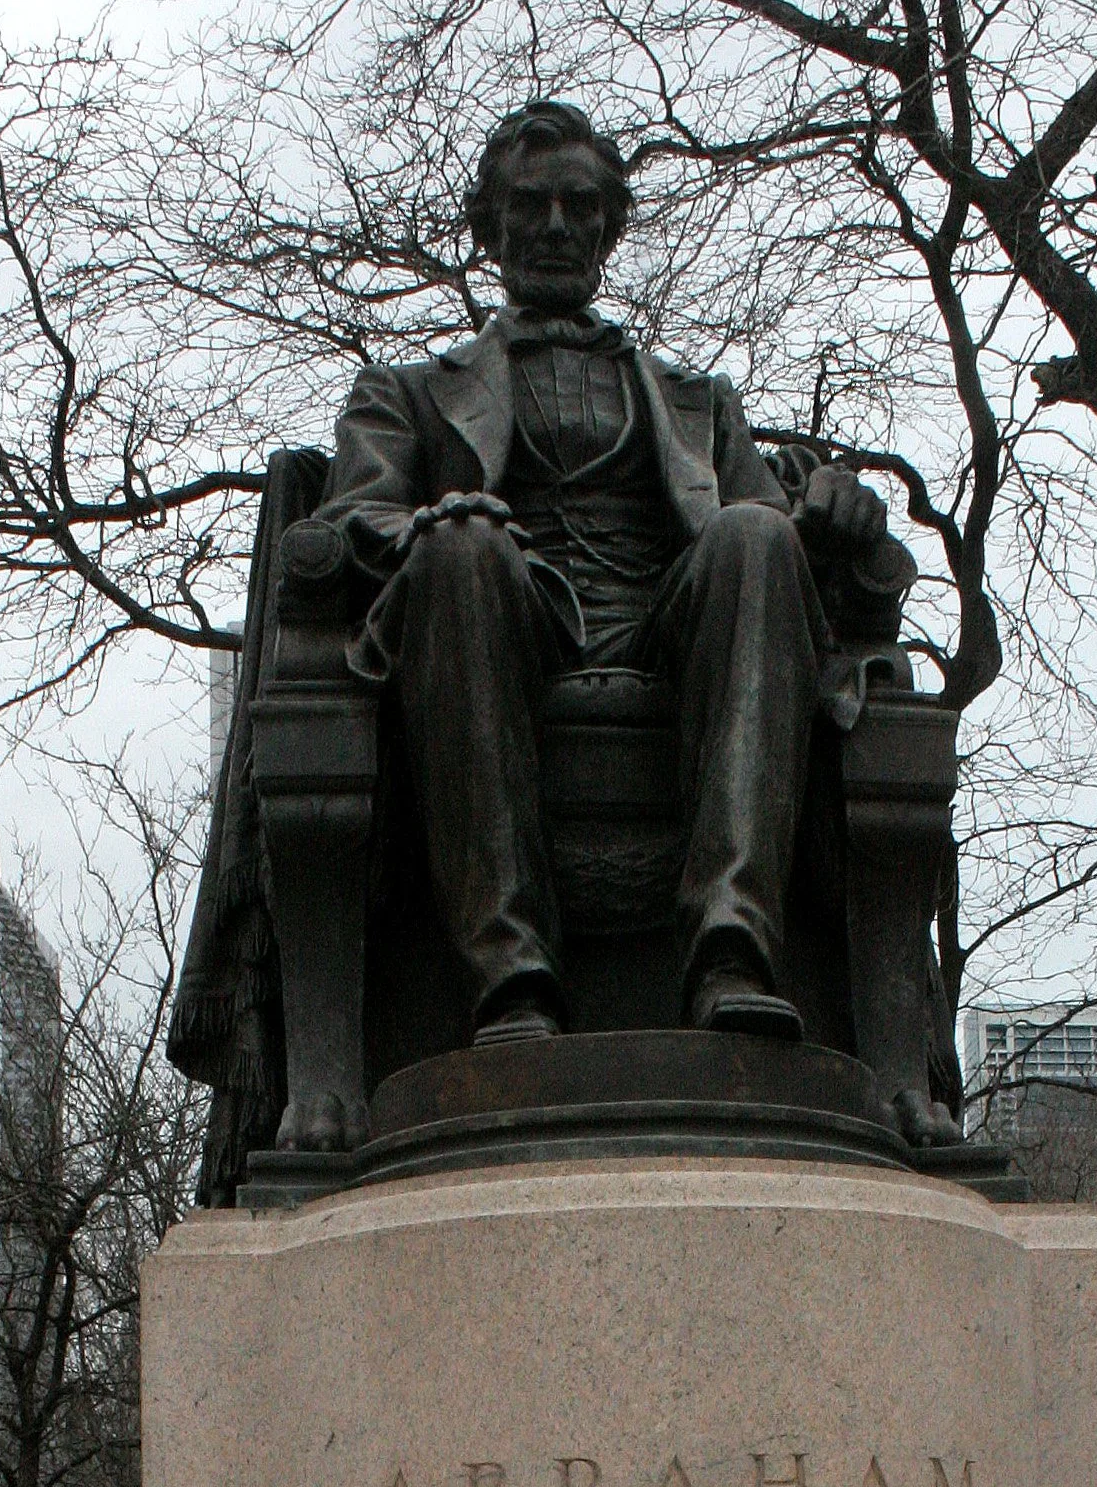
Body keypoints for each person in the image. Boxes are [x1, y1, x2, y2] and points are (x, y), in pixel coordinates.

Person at [313, 99, 920, 1060]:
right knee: (464, 548)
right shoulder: (410, 393)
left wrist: (837, 517)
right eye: (532, 205)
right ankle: (510, 975)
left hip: (671, 633)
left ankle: (730, 950)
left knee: (752, 537)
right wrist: (432, 524)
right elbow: (348, 521)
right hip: (502, 617)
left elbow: (779, 549)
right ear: (488, 227)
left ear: (608, 227)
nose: (556, 226)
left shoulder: (698, 401)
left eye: (580, 206)